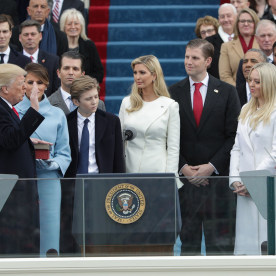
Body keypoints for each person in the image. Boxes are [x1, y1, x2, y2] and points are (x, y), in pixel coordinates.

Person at [169, 39, 241, 255]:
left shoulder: (227, 92)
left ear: (208, 61)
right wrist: (184, 168)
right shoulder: (173, 92)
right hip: (186, 183)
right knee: (188, 246)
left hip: (217, 183)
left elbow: (233, 136)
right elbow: (170, 138)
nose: (188, 62)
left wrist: (212, 166)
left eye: (195, 58)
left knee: (220, 246)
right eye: (186, 57)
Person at [16, 63, 71, 256]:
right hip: (21, 178)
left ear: (46, 85)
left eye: (39, 82)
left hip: (48, 177)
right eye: (29, 82)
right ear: (22, 84)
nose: (34, 87)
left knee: (50, 227)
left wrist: (52, 163)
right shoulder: (13, 112)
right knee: (21, 226)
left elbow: (65, 153)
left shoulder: (57, 114)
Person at [230, 62, 276, 255]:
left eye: (257, 81)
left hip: (268, 186)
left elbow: (275, 152)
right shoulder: (245, 110)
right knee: (247, 243)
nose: (252, 84)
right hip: (244, 189)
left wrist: (254, 181)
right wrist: (235, 181)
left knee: (268, 237)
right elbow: (236, 147)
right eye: (250, 80)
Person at [0, 63, 45, 254]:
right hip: (11, 192)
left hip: (18, 190)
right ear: (5, 88)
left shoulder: (7, 108)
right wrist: (34, 109)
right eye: (21, 84)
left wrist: (28, 140)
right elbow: (10, 140)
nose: (25, 88)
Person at [119, 55, 180, 179]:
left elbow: (173, 148)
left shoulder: (170, 106)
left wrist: (170, 177)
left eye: (142, 72)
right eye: (135, 73)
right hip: (129, 169)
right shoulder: (127, 103)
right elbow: (120, 141)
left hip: (158, 171)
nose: (137, 77)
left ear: (154, 75)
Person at [66, 75, 125, 177]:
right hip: (73, 183)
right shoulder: (66, 122)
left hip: (102, 181)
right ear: (76, 102)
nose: (94, 102)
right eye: (88, 99)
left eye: (96, 96)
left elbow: (118, 158)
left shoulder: (112, 121)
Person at [59, 8, 104, 83]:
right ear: (63, 27)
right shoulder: (58, 46)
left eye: (76, 23)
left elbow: (99, 73)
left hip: (85, 89)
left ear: (81, 26)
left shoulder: (89, 45)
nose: (73, 27)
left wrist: (85, 85)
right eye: (69, 24)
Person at [219, 8, 260, 86]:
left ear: (255, 23)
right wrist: (239, 90)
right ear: (237, 24)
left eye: (249, 21)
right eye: (242, 21)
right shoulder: (226, 46)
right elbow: (225, 75)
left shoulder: (262, 44)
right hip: (236, 93)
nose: (246, 24)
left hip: (260, 91)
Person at [19, 19, 60, 96]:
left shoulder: (53, 60)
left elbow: (56, 89)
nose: (29, 37)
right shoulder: (13, 60)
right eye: (26, 34)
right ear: (20, 38)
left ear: (40, 36)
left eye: (33, 34)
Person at [206, 3, 237, 79]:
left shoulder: (243, 38)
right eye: (222, 17)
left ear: (236, 17)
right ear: (219, 19)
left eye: (229, 16)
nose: (226, 20)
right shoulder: (208, 42)